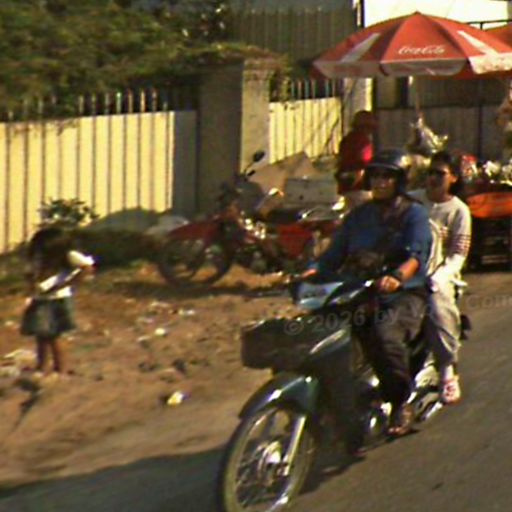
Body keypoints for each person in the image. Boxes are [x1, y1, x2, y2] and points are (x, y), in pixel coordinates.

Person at [305, 148, 432, 439]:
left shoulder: (413, 214)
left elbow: (416, 257)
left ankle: (400, 402)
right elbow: (333, 255)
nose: (379, 181)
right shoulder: (358, 216)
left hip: (403, 294)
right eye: (375, 175)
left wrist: (397, 277)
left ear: (400, 180)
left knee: (384, 335)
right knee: (316, 331)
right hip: (358, 290)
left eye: (387, 176)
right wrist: (312, 271)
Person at [410, 150, 472, 404]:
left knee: (436, 306)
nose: (433, 178)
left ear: (453, 177)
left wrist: (439, 277)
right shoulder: (411, 201)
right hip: (405, 271)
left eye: (440, 173)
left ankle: (447, 369)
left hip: (439, 275)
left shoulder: (459, 211)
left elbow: (458, 255)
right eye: (430, 173)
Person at [20, 226, 95, 380]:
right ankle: (41, 366)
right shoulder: (39, 258)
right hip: (40, 298)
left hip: (57, 299)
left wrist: (66, 284)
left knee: (54, 335)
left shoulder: (68, 255)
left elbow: (87, 268)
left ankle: (60, 368)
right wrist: (31, 287)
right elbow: (30, 274)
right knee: (41, 335)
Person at [335, 110, 377, 210]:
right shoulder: (363, 142)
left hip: (345, 186)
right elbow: (362, 165)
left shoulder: (347, 139)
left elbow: (341, 161)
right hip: (358, 188)